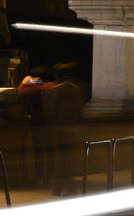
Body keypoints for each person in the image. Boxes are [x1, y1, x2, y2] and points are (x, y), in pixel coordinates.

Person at [46, 63, 85, 196]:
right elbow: (80, 111)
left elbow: (51, 111)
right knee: (70, 161)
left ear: (57, 76)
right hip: (73, 129)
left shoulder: (55, 90)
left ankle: (59, 187)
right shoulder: (75, 90)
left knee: (60, 160)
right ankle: (69, 187)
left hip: (60, 130)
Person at [18, 66, 54, 187]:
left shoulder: (36, 87)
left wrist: (25, 81)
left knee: (38, 151)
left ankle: (40, 175)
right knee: (50, 151)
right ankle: (50, 175)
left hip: (38, 123)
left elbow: (21, 91)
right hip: (50, 123)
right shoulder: (49, 86)